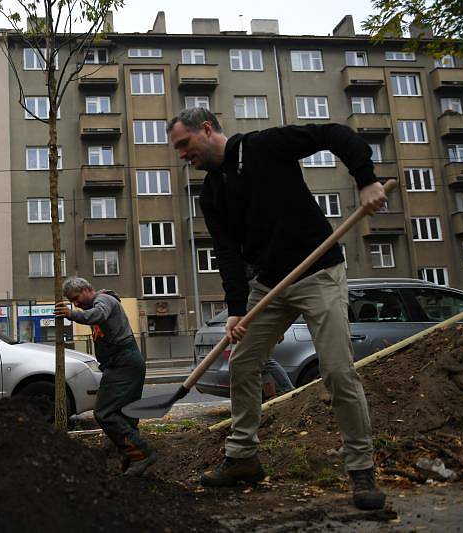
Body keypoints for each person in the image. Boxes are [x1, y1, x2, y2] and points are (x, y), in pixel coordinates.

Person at [167, 107, 387, 511]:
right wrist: (236, 308)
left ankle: (361, 469)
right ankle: (243, 457)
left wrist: (366, 180)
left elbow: (335, 132)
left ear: (207, 129)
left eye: (184, 144)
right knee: (244, 364)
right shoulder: (210, 192)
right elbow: (227, 253)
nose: (182, 154)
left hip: (317, 272)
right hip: (267, 285)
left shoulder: (263, 146)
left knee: (337, 369)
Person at [54, 277, 156, 476]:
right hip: (119, 364)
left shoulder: (104, 300)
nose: (76, 304)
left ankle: (140, 454)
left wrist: (71, 314)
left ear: (85, 289)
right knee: (125, 414)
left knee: (104, 412)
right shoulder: (97, 303)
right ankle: (134, 461)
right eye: (73, 302)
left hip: (124, 364)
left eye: (76, 298)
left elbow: (98, 315)